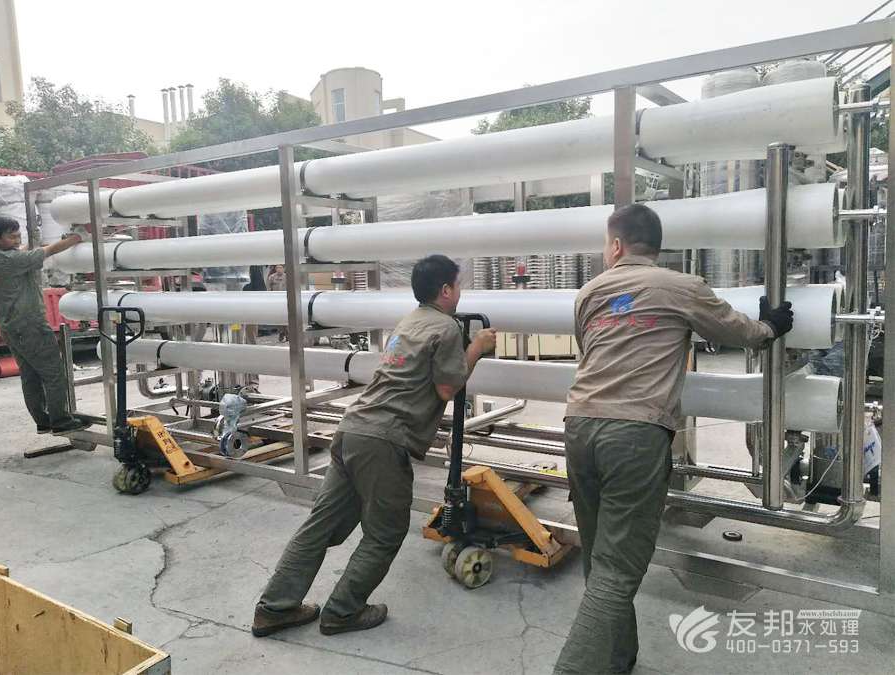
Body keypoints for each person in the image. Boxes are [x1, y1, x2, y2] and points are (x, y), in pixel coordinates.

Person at [553, 204, 793, 674]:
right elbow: (739, 331)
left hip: (579, 426)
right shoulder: (682, 287)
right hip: (635, 435)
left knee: (600, 555)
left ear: (616, 246)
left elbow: (590, 350)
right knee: (617, 569)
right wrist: (770, 327)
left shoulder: (589, 293)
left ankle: (618, 656)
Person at [252, 254, 497, 637]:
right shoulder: (446, 328)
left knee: (320, 526)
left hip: (352, 429)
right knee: (386, 532)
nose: (460, 292)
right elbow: (447, 388)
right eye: (458, 285)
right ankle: (342, 612)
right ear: (446, 290)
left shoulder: (409, 322)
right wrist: (477, 346)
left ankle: (274, 608)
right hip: (384, 441)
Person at [0, 217, 92, 435]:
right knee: (54, 373)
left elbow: (26, 252)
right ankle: (60, 420)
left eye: (18, 235)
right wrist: (77, 237)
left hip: (12, 326)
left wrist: (37, 241)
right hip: (30, 325)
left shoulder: (3, 257)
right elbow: (48, 251)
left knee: (30, 374)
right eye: (11, 236)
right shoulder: (9, 259)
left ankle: (43, 420)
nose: (17, 240)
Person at [267, 265, 288, 342]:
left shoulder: (287, 277)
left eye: (280, 267)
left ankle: (287, 333)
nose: (279, 269)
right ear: (275, 269)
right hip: (276, 300)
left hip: (285, 300)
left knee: (286, 317)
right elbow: (269, 288)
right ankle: (281, 332)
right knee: (278, 317)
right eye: (277, 268)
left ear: (284, 269)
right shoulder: (272, 277)